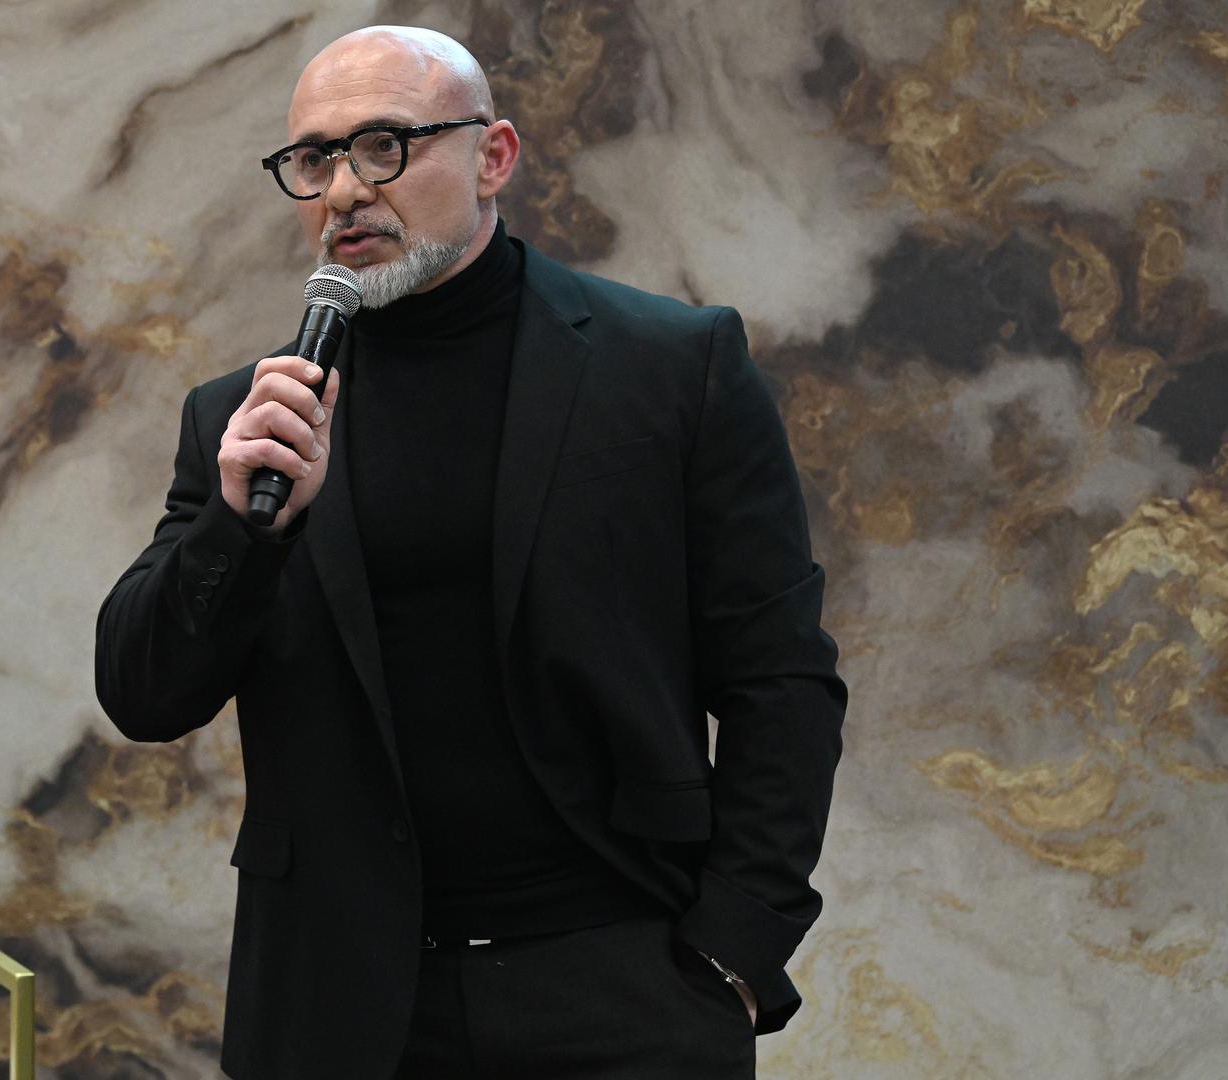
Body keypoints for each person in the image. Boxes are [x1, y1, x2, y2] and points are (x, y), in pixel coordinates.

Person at [95, 24, 847, 1080]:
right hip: (342, 1006)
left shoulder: (672, 368)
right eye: (313, 159)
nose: (345, 189)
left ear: (493, 156)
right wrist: (242, 528)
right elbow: (142, 695)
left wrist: (734, 951)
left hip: (621, 987)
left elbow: (781, 679)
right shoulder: (251, 420)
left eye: (385, 146)